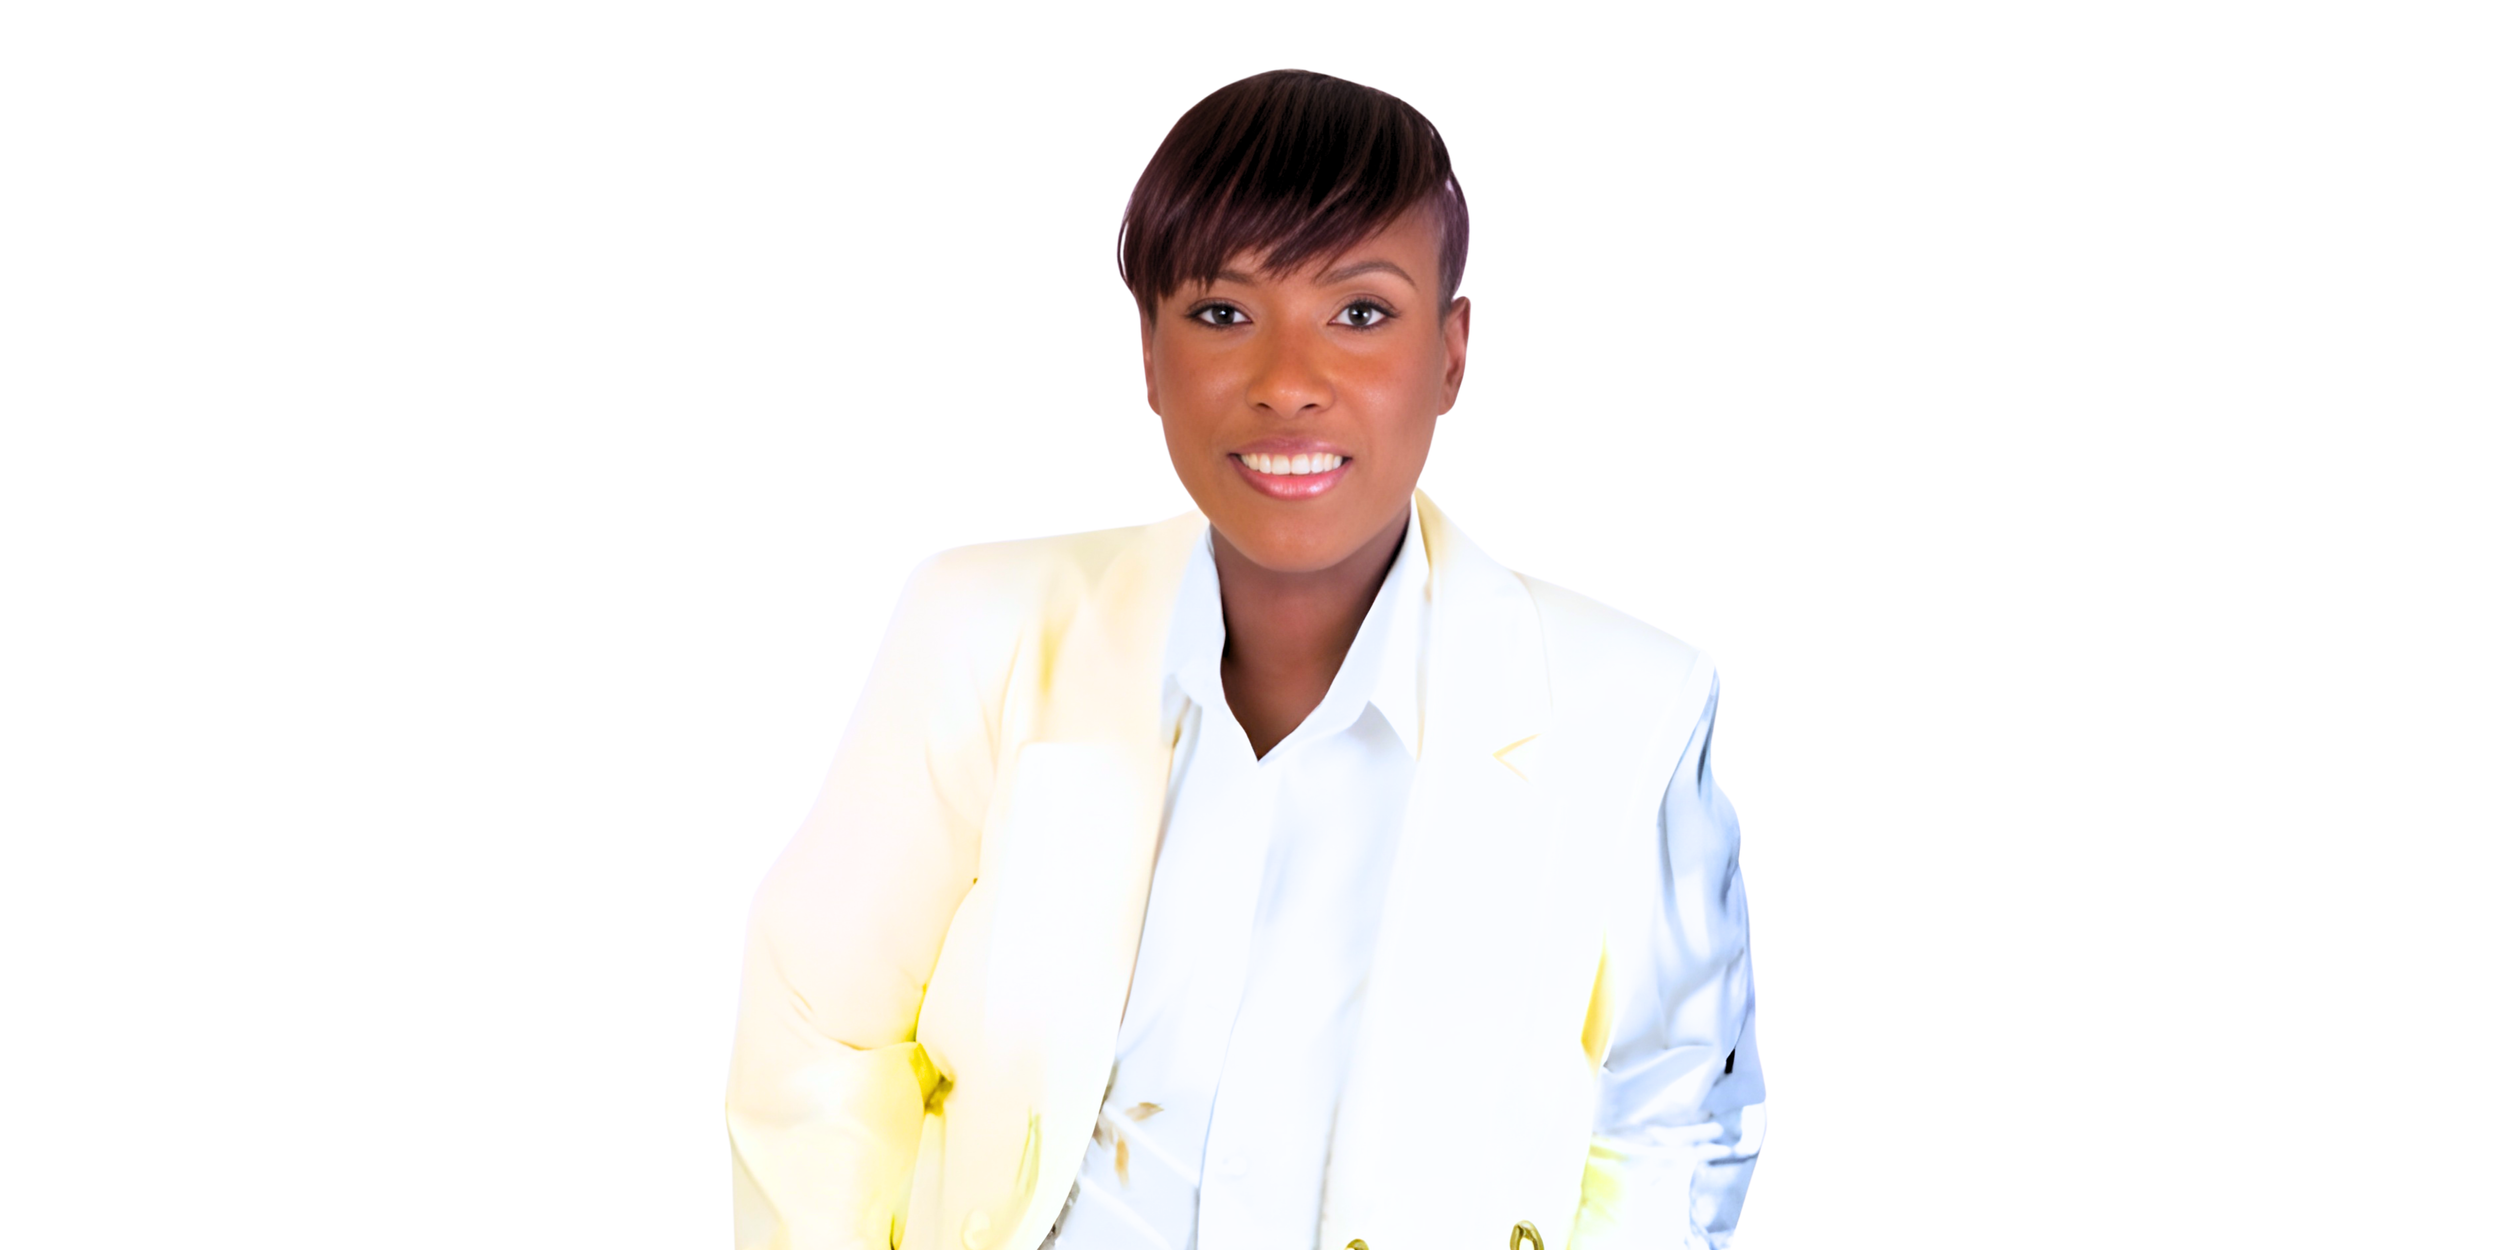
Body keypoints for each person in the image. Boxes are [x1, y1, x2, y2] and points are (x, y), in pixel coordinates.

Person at [726, 69, 1764, 1250]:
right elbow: (821, 1023)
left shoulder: (1629, 708)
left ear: (1451, 354)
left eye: (1360, 313)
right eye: (1222, 313)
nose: (1287, 383)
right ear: (1149, 354)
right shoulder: (983, 628)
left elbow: (1673, 1115)